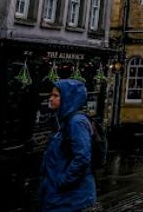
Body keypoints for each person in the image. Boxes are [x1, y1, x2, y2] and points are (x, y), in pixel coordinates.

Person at [39, 79, 96, 212]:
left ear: (68, 98)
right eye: (51, 95)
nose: (50, 99)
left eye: (56, 96)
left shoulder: (76, 122)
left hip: (70, 198)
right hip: (58, 195)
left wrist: (63, 181)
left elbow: (82, 157)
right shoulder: (62, 120)